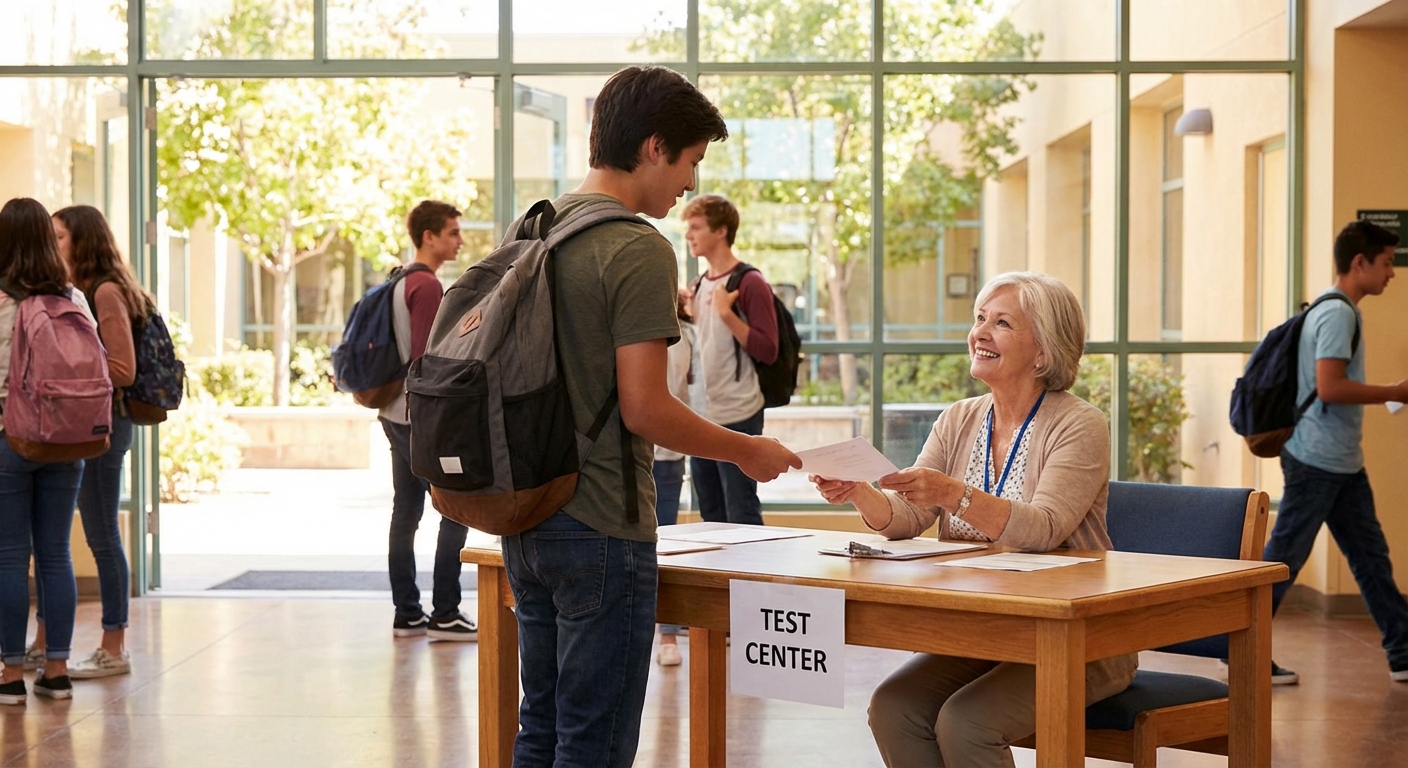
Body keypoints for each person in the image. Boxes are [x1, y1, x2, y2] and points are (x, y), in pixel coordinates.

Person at [501, 65, 799, 767]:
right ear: (656, 146)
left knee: (540, 729)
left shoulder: (535, 225)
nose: (690, 184)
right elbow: (645, 407)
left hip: (529, 516)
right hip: (602, 522)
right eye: (691, 162)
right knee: (594, 744)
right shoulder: (636, 245)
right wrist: (743, 451)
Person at [811, 271, 1136, 767]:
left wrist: (955, 495)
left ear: (1044, 352)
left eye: (1001, 323)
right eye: (979, 318)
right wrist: (860, 492)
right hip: (984, 629)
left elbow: (1043, 528)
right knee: (893, 708)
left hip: (1079, 637)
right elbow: (908, 518)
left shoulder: (1079, 423)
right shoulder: (958, 418)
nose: (979, 333)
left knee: (967, 723)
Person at [1262, 219, 1408, 685]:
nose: (1391, 273)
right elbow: (1330, 387)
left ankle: (1403, 650)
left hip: (1339, 460)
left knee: (1370, 557)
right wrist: (1395, 390)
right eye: (1386, 263)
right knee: (1284, 558)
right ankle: (1239, 649)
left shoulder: (1334, 309)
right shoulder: (1339, 313)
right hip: (1317, 459)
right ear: (1359, 263)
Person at [21, 205, 150, 680]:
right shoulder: (67, 294)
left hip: (103, 427)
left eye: (59, 238)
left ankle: (114, 644)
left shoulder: (105, 292)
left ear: (83, 241)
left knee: (100, 533)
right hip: (80, 427)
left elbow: (123, 369)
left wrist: (67, 371)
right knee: (52, 539)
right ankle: (41, 640)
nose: (52, 246)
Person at [0, 198, 98, 705]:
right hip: (66, 440)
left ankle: (11, 676)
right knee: (56, 554)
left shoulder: (2, 301)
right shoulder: (74, 299)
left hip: (8, 440)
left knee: (10, 558)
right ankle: (56, 671)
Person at [382, 200, 476, 642]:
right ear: (429, 237)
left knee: (406, 512)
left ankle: (407, 612)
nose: (459, 240)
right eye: (453, 233)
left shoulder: (399, 278)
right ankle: (446, 610)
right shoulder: (428, 287)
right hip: (417, 416)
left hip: (393, 411)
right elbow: (426, 360)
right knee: (455, 509)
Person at [683, 193, 779, 526]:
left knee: (741, 513)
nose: (688, 235)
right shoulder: (697, 285)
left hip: (739, 414)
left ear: (721, 231)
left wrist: (726, 313)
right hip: (702, 417)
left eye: (695, 227)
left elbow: (769, 349)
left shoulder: (750, 283)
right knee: (711, 517)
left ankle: (750, 578)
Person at [652, 299, 702, 667]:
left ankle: (660, 632)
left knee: (647, 543)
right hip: (668, 450)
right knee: (665, 540)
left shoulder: (628, 329)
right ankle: (666, 635)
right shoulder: (688, 334)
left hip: (642, 452)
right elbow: (691, 385)